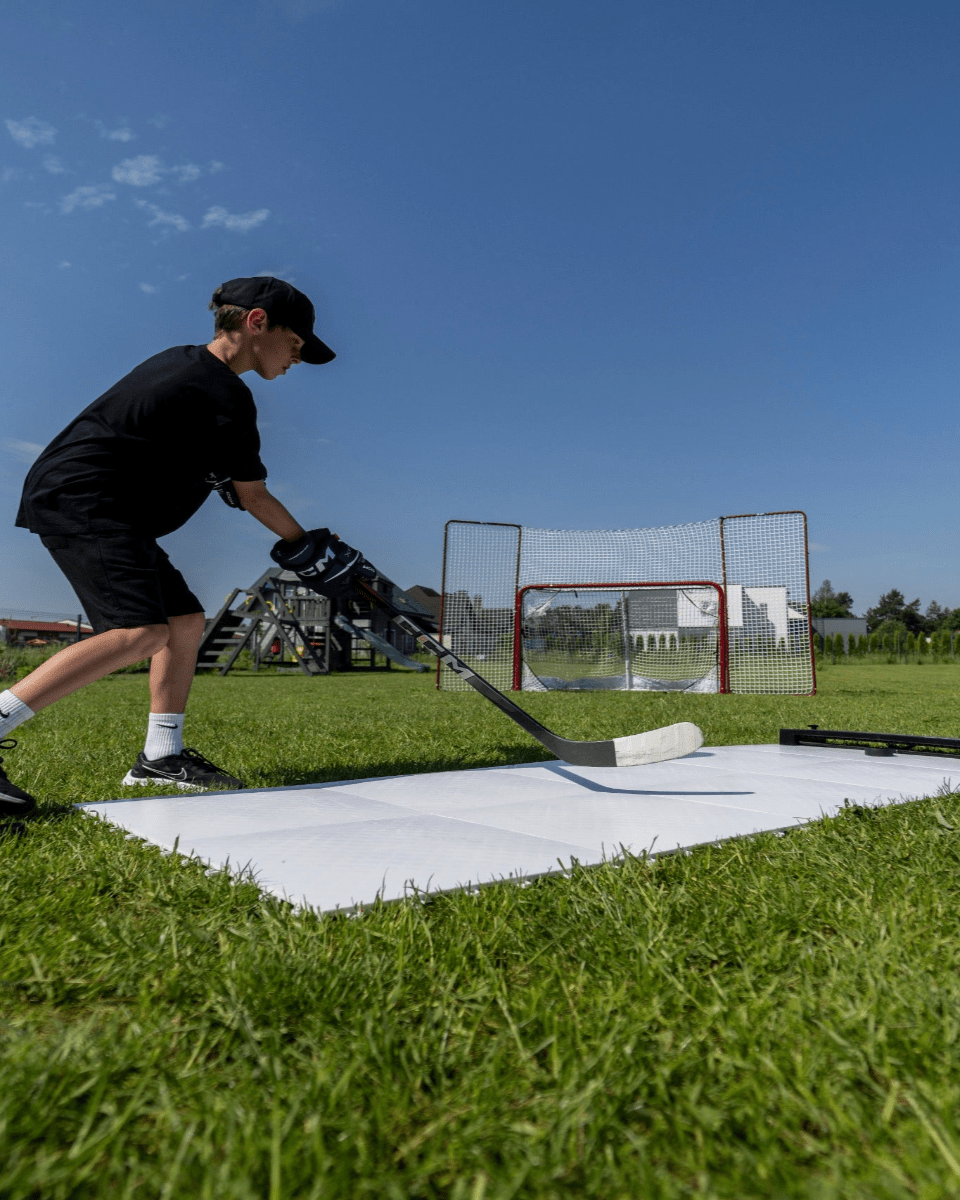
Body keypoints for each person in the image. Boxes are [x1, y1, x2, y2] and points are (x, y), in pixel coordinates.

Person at [0, 276, 340, 817]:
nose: (297, 358)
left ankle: (160, 756)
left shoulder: (184, 366)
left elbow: (179, 453)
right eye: (295, 344)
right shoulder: (225, 392)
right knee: (139, 632)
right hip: (86, 501)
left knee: (183, 620)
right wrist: (309, 546)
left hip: (102, 506)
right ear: (257, 323)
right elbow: (252, 494)